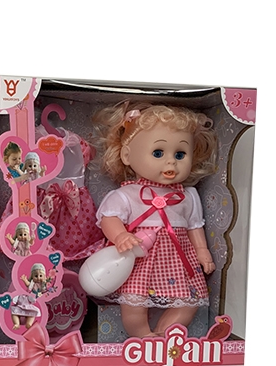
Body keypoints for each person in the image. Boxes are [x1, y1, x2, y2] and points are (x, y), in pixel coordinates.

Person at [93, 103, 217, 338]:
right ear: (127, 155)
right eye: (158, 153)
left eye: (180, 154)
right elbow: (109, 218)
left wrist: (202, 251)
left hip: (178, 260)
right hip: (139, 259)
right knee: (134, 304)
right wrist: (120, 235)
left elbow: (194, 226)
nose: (171, 162)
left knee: (189, 301)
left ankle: (163, 335)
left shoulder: (188, 196)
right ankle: (141, 336)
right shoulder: (127, 194)